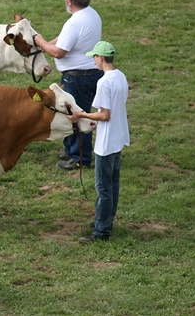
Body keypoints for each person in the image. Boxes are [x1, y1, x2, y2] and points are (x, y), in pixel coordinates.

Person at [34, 0, 103, 170]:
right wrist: (47, 42)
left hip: (77, 77)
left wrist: (39, 41)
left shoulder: (76, 21)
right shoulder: (91, 15)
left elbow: (58, 52)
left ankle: (80, 158)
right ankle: (71, 150)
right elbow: (63, 38)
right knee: (74, 112)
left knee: (77, 115)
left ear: (70, 1)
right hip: (88, 74)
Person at [66, 41, 130, 243]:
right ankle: (105, 221)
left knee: (103, 188)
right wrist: (95, 121)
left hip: (106, 143)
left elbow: (105, 114)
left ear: (101, 58)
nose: (93, 59)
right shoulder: (120, 76)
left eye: (94, 56)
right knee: (113, 185)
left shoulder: (104, 82)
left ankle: (101, 231)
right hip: (118, 138)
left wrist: (81, 115)